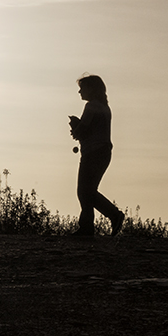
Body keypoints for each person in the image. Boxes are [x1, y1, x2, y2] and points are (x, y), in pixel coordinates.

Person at [68, 74, 125, 237]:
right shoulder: (105, 108)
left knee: (85, 191)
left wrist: (75, 126)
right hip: (103, 152)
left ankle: (113, 216)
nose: (80, 92)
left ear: (91, 89)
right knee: (88, 191)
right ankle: (88, 227)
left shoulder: (91, 107)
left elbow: (83, 132)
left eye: (82, 88)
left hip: (93, 152)